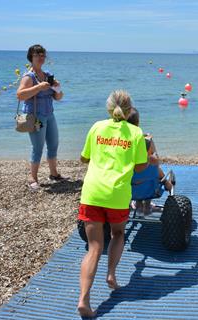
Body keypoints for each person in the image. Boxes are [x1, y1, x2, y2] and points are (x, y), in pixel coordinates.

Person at [77, 90, 148, 318]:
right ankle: (111, 274)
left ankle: (84, 300)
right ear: (130, 110)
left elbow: (84, 158)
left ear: (109, 108)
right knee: (117, 234)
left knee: (94, 247)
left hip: (93, 192)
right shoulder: (136, 133)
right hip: (117, 194)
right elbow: (139, 167)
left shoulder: (97, 127)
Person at [17, 44, 65, 190]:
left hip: (49, 115)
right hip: (35, 117)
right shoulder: (28, 77)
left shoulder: (48, 75)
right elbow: (20, 95)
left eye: (43, 55)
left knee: (53, 144)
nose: (41, 57)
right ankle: (33, 178)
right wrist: (38, 87)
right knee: (38, 147)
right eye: (37, 55)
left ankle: (54, 174)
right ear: (31, 57)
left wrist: (57, 88)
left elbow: (58, 98)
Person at [127, 108, 174, 214]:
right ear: (137, 122)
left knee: (137, 175)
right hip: (151, 190)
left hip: (127, 191)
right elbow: (155, 163)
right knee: (152, 167)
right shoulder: (146, 143)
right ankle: (148, 203)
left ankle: (136, 203)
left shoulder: (120, 149)